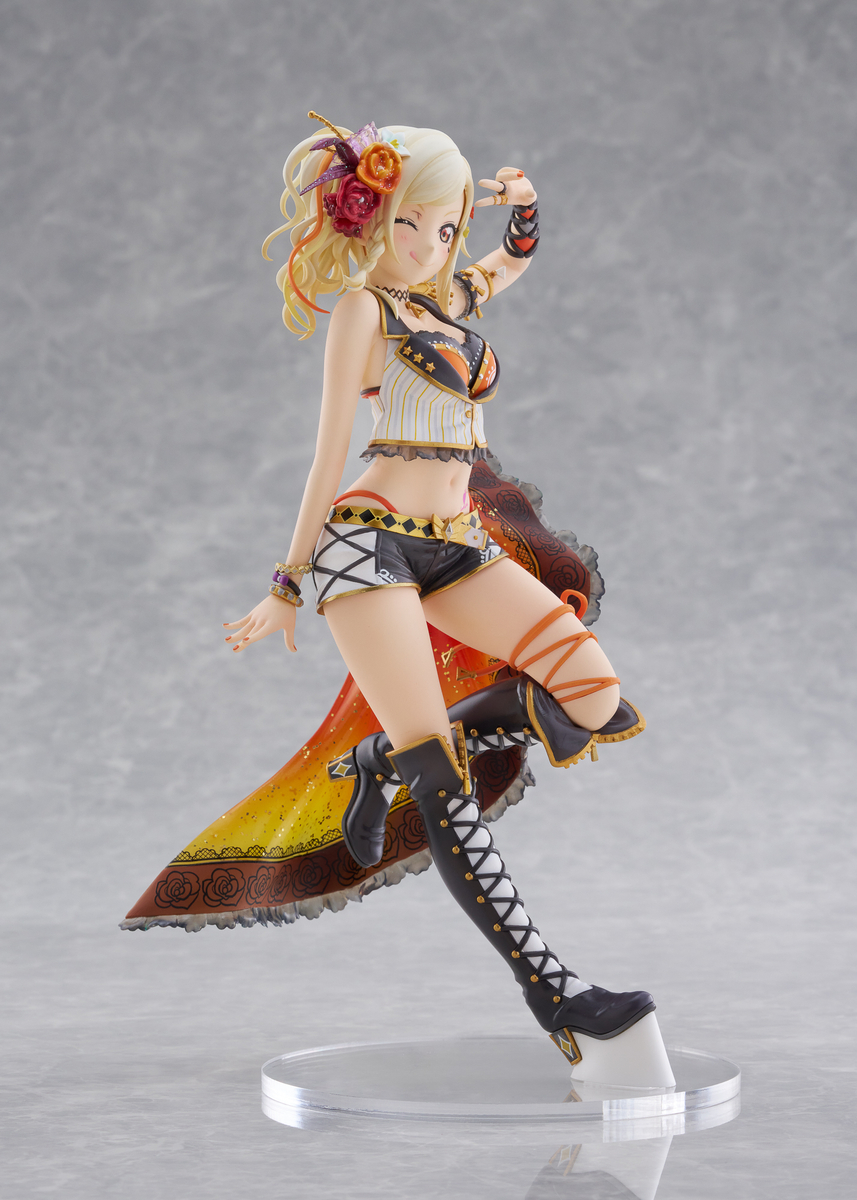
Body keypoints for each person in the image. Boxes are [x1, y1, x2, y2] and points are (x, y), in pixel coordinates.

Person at [124, 116, 666, 1078]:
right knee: (443, 783)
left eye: (445, 227)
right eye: (409, 224)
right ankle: (555, 994)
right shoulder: (363, 312)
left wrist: (521, 203)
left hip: (455, 543)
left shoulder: (450, 296)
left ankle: (379, 758)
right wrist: (286, 585)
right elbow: (326, 453)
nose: (427, 245)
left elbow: (513, 261)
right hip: (364, 548)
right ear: (369, 218)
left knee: (593, 695)